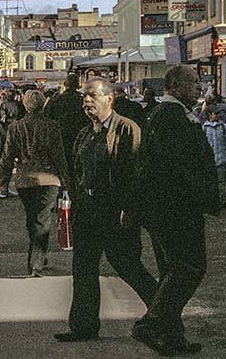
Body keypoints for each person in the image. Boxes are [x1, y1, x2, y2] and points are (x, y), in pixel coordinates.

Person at [56, 77, 158, 343]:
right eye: (84, 97)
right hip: (87, 211)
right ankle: (83, 327)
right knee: (84, 270)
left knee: (129, 268)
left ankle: (164, 317)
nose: (87, 101)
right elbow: (78, 170)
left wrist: (130, 208)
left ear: (109, 99)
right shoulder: (85, 132)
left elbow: (138, 173)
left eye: (93, 96)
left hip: (115, 212)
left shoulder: (127, 129)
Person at [132, 64, 220, 356]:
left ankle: (171, 338)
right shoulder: (169, 116)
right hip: (175, 208)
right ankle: (152, 323)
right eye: (194, 82)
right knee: (189, 267)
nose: (199, 87)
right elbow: (174, 166)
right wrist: (201, 193)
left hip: (167, 208)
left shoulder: (169, 114)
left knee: (172, 271)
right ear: (176, 86)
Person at [0, 90, 68, 276]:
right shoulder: (52, 126)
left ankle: (38, 256)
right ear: (44, 104)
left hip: (24, 179)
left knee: (33, 219)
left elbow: (7, 156)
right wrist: (66, 180)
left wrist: (2, 180)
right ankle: (36, 262)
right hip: (49, 178)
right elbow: (59, 156)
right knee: (42, 219)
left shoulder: (16, 127)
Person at [46, 73, 91, 175]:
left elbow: (47, 119)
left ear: (65, 85)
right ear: (77, 85)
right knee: (77, 167)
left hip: (60, 137)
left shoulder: (55, 100)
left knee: (62, 167)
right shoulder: (82, 100)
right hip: (79, 136)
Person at [202, 106, 226, 208]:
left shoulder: (224, 127)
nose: (218, 115)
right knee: (210, 183)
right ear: (209, 114)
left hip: (220, 160)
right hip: (208, 161)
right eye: (215, 113)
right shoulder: (204, 128)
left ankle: (221, 202)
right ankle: (211, 202)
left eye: (218, 113)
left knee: (221, 183)